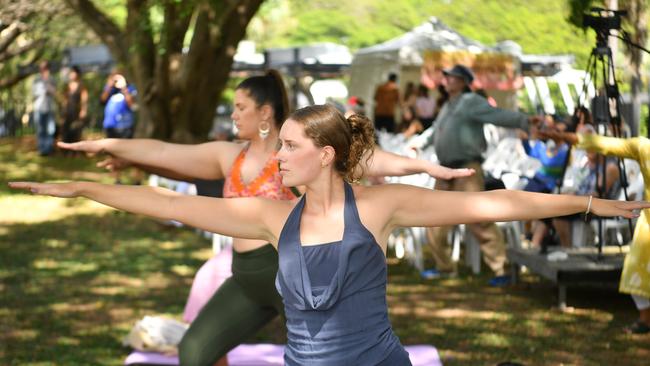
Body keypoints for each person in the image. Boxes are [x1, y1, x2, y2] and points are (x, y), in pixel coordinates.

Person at [10, 104, 647, 364]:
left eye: (287, 146)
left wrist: (592, 201)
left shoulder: (377, 207)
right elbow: (154, 202)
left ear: (324, 155)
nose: (275, 156)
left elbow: (497, 206)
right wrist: (85, 189)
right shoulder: (270, 215)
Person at [57, 70, 475, 366]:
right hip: (243, 276)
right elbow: (166, 155)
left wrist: (428, 169)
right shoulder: (228, 155)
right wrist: (109, 146)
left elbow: (365, 157)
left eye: (241, 107)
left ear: (265, 115)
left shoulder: (299, 154)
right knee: (195, 351)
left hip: (289, 274)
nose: (233, 114)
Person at [412, 64, 542, 285]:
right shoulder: (448, 105)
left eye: (453, 77)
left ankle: (501, 269)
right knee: (434, 218)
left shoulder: (470, 101)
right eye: (447, 77)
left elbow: (496, 114)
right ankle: (445, 267)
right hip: (445, 170)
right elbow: (437, 129)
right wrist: (420, 142)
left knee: (478, 218)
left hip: (467, 170)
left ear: (463, 81)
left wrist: (524, 121)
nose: (448, 80)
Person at [540, 128, 650, 334]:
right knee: (636, 271)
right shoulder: (644, 148)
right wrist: (566, 137)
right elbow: (605, 144)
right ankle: (645, 320)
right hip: (648, 227)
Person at [518, 117, 569, 246]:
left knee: (540, 214)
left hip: (549, 187)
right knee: (524, 202)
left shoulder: (566, 150)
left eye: (558, 131)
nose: (554, 132)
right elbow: (531, 152)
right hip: (538, 182)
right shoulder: (549, 147)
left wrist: (538, 139)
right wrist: (524, 140)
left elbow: (549, 162)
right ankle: (528, 234)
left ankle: (532, 239)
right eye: (555, 130)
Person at [31, 60, 57, 156]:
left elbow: (54, 92)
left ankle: (48, 149)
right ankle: (42, 150)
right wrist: (43, 89)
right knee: (40, 129)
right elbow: (34, 93)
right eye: (41, 68)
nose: (43, 70)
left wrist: (47, 85)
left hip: (50, 107)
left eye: (45, 67)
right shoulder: (36, 80)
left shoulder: (52, 79)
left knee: (50, 129)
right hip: (39, 107)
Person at [60, 66, 89, 151]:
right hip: (68, 111)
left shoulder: (81, 85)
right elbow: (65, 99)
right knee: (66, 130)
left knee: (76, 130)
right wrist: (63, 110)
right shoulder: (67, 86)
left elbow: (84, 99)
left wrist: (83, 110)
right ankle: (65, 149)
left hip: (76, 111)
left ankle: (76, 150)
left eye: (73, 72)